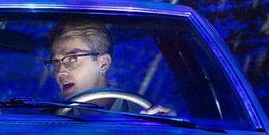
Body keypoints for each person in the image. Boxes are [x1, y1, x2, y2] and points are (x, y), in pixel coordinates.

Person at [44, 20, 173, 115]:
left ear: (103, 63)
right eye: (55, 63)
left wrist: (168, 122)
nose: (60, 72)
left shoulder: (143, 114)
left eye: (71, 60)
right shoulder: (50, 121)